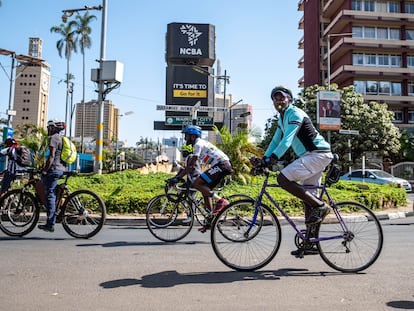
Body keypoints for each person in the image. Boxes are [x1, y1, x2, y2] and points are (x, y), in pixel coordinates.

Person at [263, 86, 334, 255]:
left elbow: (286, 141)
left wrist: (272, 159)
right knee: (308, 199)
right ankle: (311, 242)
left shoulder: (295, 114)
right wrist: (263, 159)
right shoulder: (282, 118)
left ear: (290, 99)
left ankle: (321, 206)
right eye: (275, 98)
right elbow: (275, 141)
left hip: (317, 154)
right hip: (310, 156)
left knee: (282, 179)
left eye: (282, 98)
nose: (278, 101)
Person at [169, 125, 233, 232]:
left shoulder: (198, 145)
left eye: (187, 136)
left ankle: (221, 201)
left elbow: (191, 166)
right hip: (220, 165)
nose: (185, 138)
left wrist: (178, 178)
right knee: (204, 189)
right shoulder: (199, 144)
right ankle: (210, 221)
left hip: (222, 165)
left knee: (196, 183)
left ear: (193, 137)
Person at [38, 119, 66, 233]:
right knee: (51, 191)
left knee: (50, 195)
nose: (47, 129)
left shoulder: (54, 138)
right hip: (61, 168)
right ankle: (56, 208)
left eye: (49, 127)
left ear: (53, 128)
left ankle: (50, 224)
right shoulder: (61, 138)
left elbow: (51, 157)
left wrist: (44, 170)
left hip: (54, 169)